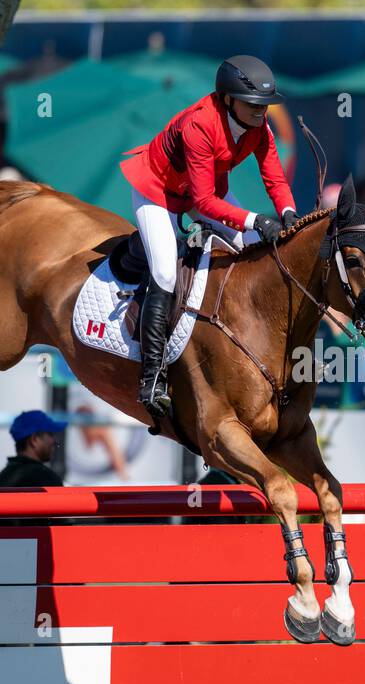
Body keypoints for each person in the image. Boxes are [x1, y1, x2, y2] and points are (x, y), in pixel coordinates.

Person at [119, 55, 298, 419]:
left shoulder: (258, 128)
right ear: (229, 100)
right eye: (253, 105)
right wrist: (253, 219)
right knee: (166, 273)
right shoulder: (201, 125)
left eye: (265, 105)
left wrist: (288, 214)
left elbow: (275, 179)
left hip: (205, 193)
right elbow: (203, 202)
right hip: (158, 192)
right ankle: (152, 376)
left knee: (254, 248)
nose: (261, 113)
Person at [0, 410, 69, 527]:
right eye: (50, 434)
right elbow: (63, 528)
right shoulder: (47, 478)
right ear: (34, 439)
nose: (54, 441)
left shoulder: (1, 479)